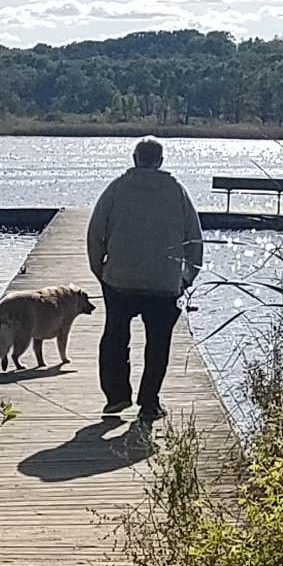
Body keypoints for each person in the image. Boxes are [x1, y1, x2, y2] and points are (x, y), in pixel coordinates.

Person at [85, 136, 204, 423]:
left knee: (115, 336)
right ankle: (149, 403)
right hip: (164, 284)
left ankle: (116, 396)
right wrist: (186, 277)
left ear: (135, 159)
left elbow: (94, 233)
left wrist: (98, 269)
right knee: (158, 343)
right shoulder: (177, 191)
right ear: (160, 161)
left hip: (119, 279)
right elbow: (195, 241)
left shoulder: (116, 189)